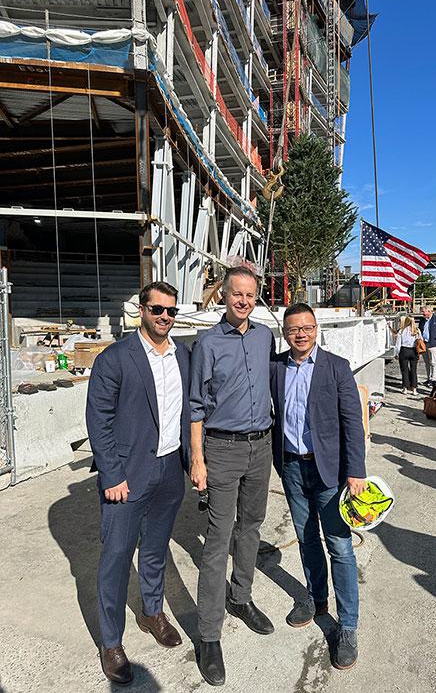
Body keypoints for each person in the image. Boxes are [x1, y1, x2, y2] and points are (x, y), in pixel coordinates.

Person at [86, 282, 191, 685]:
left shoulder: (183, 356)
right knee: (115, 558)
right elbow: (99, 419)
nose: (165, 316)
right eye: (157, 309)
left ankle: (151, 612)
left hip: (169, 471)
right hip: (127, 477)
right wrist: (112, 475)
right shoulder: (115, 359)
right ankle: (111, 642)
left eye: (171, 311)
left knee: (155, 550)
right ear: (141, 311)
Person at [190, 266, 274, 687]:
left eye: (250, 295)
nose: (243, 301)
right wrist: (198, 459)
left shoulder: (264, 337)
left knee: (252, 528)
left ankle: (240, 597)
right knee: (217, 539)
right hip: (221, 450)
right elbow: (195, 407)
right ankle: (208, 635)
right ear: (223, 295)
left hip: (261, 447)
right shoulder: (206, 343)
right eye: (236, 294)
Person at [270, 303, 367, 670]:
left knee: (340, 547)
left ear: (316, 329)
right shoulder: (276, 367)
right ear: (284, 332)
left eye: (307, 327)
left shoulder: (336, 367)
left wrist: (355, 471)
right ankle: (315, 598)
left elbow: (352, 424)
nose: (301, 334)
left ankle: (349, 626)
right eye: (293, 329)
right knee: (307, 538)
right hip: (293, 467)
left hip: (331, 472)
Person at [394, 316, 422, 396]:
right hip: (413, 351)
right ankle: (414, 389)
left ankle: (405, 388)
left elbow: (398, 344)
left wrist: (396, 353)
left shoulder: (402, 331)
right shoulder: (417, 330)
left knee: (404, 370)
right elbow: (421, 340)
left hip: (404, 350)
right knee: (414, 370)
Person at [419, 306, 436, 385]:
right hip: (424, 344)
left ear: (429, 311)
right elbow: (420, 330)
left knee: (433, 362)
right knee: (426, 362)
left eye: (424, 312)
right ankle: (428, 378)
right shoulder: (422, 320)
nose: (422, 313)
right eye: (422, 312)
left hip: (433, 344)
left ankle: (434, 379)